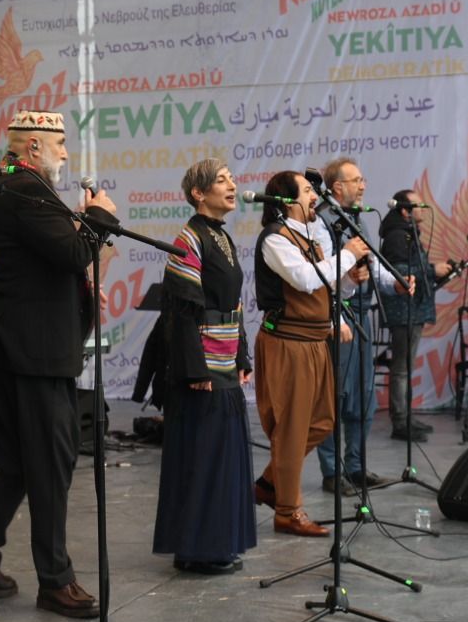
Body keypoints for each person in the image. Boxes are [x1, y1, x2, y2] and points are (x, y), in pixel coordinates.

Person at [0, 110, 117, 619]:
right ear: (32, 149)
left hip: (19, 350)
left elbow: (58, 260)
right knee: (49, 465)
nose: (66, 153)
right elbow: (73, 252)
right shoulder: (25, 188)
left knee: (22, 467)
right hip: (32, 354)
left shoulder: (18, 188)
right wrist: (102, 216)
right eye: (59, 144)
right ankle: (56, 581)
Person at [251, 171, 400, 536]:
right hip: (288, 343)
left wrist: (348, 281)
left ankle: (270, 483)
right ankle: (287, 510)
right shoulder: (275, 239)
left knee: (322, 422)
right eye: (306, 190)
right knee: (291, 429)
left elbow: (325, 290)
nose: (314, 196)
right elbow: (303, 280)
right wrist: (347, 255)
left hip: (315, 341)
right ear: (286, 201)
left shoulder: (312, 238)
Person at [148, 159, 257, 573]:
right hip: (202, 369)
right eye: (222, 180)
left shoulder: (220, 237)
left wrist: (242, 354)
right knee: (203, 457)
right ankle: (196, 550)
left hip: (224, 362)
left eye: (231, 178)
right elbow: (181, 311)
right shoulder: (190, 239)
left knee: (223, 457)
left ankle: (217, 543)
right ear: (198, 193)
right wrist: (195, 370)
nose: (232, 185)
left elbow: (235, 305)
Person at [314, 157, 384, 492]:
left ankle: (356, 467)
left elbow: (370, 264)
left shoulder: (357, 219)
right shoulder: (323, 223)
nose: (363, 185)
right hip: (338, 317)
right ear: (337, 187)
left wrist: (394, 282)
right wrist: (336, 316)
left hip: (362, 315)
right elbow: (323, 276)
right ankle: (332, 472)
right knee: (335, 398)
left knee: (363, 397)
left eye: (362, 178)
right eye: (356, 179)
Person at [380, 191, 455, 441]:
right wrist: (433, 270)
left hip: (412, 309)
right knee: (401, 368)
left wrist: (437, 273)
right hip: (404, 310)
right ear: (405, 210)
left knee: (406, 367)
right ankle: (400, 422)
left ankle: (406, 417)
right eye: (418, 205)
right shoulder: (397, 237)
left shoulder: (408, 234)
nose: (423, 208)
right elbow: (398, 271)